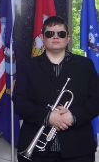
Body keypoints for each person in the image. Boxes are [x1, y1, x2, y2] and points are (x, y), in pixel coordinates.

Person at [13, 16, 99, 162]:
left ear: (68, 38)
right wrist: (47, 117)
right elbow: (19, 102)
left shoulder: (85, 65)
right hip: (36, 154)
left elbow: (96, 100)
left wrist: (73, 116)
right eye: (49, 33)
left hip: (79, 149)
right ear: (42, 37)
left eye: (61, 33)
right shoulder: (28, 66)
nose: (55, 37)